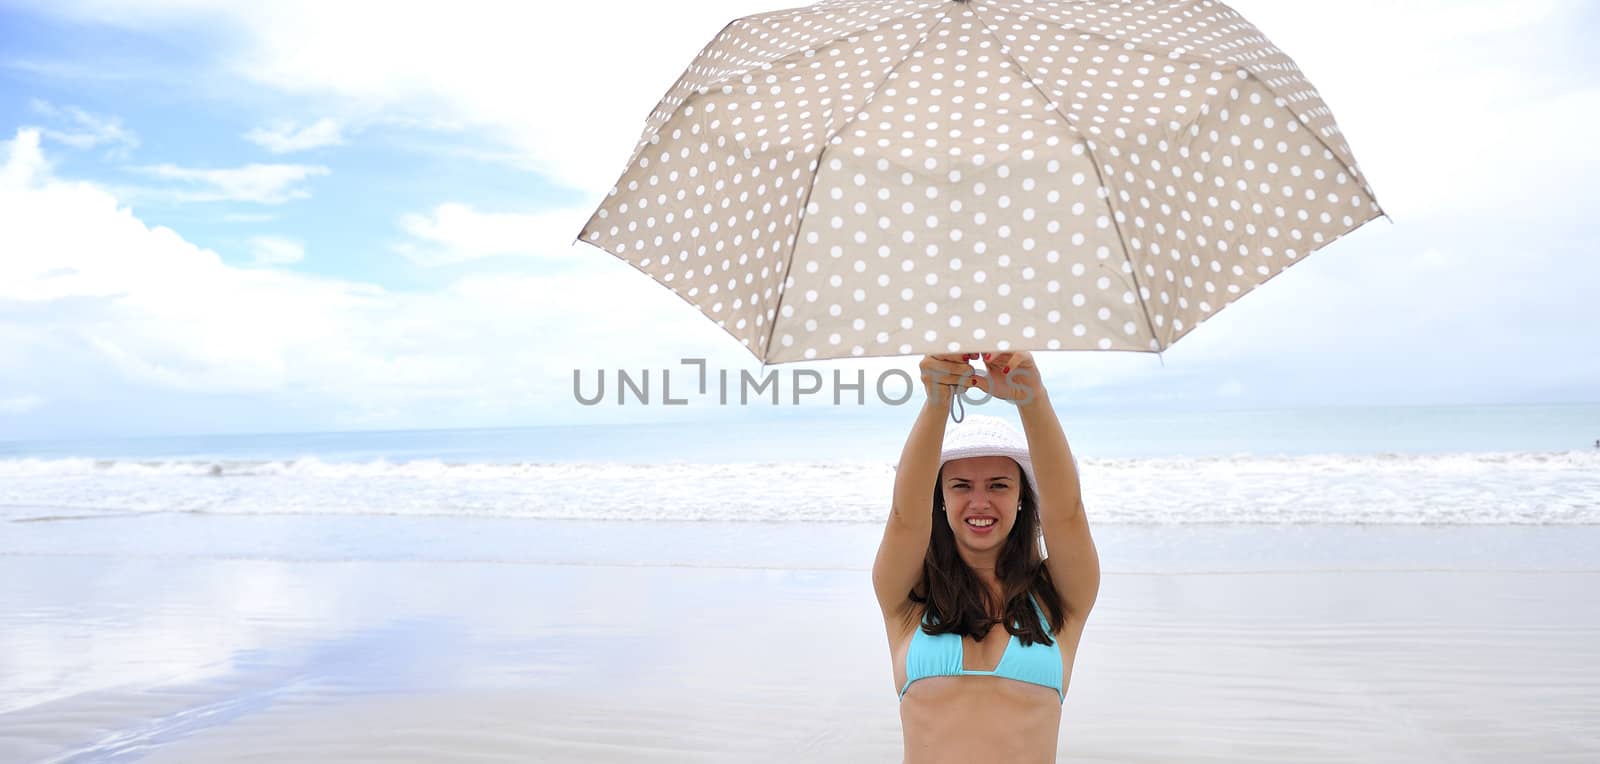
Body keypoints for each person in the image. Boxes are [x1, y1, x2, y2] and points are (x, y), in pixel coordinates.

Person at [873, 350, 1100, 763]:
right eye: (961, 486)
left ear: (1020, 497)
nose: (980, 503)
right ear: (939, 498)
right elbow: (904, 517)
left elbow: (1067, 514)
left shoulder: (1059, 599)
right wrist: (937, 401)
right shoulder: (909, 598)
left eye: (998, 485)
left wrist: (1032, 398)